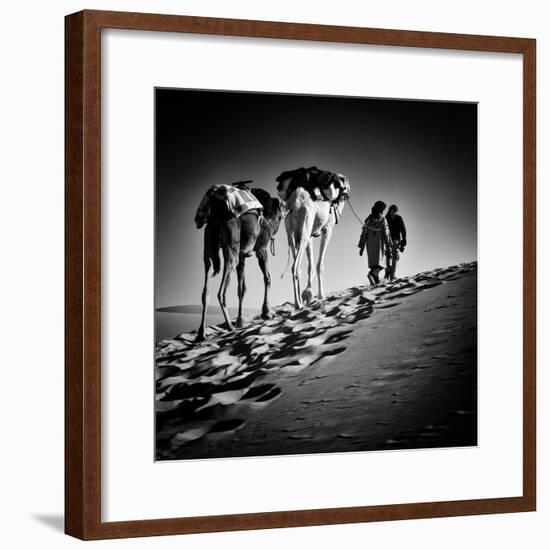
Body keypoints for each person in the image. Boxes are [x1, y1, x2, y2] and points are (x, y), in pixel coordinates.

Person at [358, 200, 392, 285]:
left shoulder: (368, 220)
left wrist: (361, 247)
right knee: (380, 265)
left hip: (370, 245)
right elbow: (386, 234)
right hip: (380, 244)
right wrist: (388, 246)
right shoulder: (383, 219)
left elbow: (364, 234)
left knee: (374, 265)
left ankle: (375, 284)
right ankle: (371, 275)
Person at [385, 204, 407, 281]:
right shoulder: (398, 218)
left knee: (388, 256)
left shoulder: (386, 218)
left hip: (387, 240)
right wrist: (404, 241)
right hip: (395, 240)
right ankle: (392, 275)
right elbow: (403, 230)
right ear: (396, 211)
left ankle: (388, 270)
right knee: (395, 257)